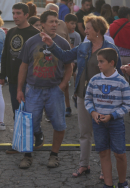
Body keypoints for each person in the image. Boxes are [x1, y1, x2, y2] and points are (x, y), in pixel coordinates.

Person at [43, 15, 121, 179]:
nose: (84, 31)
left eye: (88, 28)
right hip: (83, 95)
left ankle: (104, 170)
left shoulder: (110, 49)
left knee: (103, 134)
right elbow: (65, 56)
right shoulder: (84, 46)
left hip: (103, 98)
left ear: (98, 30)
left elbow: (117, 75)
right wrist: (51, 44)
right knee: (84, 133)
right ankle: (83, 165)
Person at [17, 10, 72, 169]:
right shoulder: (31, 42)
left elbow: (69, 67)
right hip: (33, 90)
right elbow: (23, 66)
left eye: (56, 22)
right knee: (30, 125)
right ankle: (27, 156)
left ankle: (54, 155)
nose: (55, 25)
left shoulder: (62, 43)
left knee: (59, 124)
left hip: (54, 90)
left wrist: (62, 86)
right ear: (42, 24)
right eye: (51, 22)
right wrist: (19, 89)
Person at [85, 48, 130, 188]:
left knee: (120, 154)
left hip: (116, 123)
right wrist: (93, 112)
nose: (98, 64)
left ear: (111, 63)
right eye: (98, 61)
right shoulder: (94, 80)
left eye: (101, 61)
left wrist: (112, 116)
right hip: (98, 123)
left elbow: (127, 104)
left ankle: (122, 183)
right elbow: (88, 99)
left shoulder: (122, 82)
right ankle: (108, 184)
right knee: (103, 153)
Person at [0, 3, 40, 118]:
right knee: (16, 112)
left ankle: (33, 135)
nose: (15, 16)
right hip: (13, 79)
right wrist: (2, 75)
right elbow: (5, 54)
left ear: (26, 15)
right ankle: (20, 135)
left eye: (18, 13)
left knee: (30, 113)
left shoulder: (35, 33)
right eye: (13, 13)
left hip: (30, 81)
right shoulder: (11, 32)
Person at [64, 13, 82, 116]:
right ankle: (68, 107)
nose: (74, 25)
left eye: (75, 23)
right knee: (65, 85)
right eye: (72, 23)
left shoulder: (76, 35)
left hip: (74, 62)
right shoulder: (62, 34)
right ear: (66, 23)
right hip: (65, 62)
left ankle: (75, 95)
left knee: (76, 78)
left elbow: (79, 49)